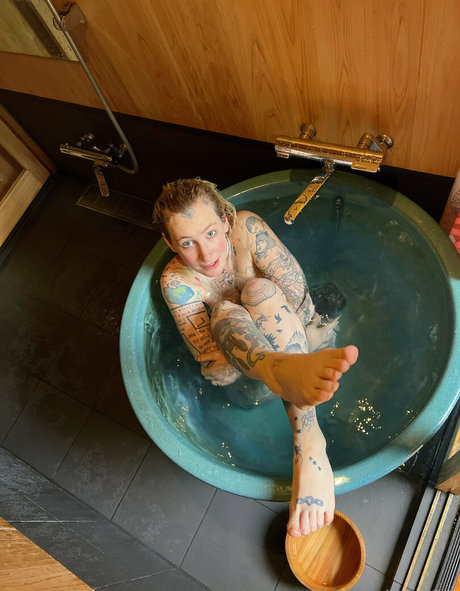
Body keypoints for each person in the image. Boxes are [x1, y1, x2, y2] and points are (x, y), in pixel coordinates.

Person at [153, 178, 359, 537]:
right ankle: (309, 438)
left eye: (211, 233)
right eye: (187, 243)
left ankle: (305, 430)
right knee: (224, 313)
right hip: (257, 383)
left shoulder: (246, 229)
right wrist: (269, 340)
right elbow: (223, 372)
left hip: (302, 353)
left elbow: (302, 303)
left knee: (259, 289)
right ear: (170, 243)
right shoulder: (177, 282)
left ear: (225, 220)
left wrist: (255, 294)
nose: (206, 254)